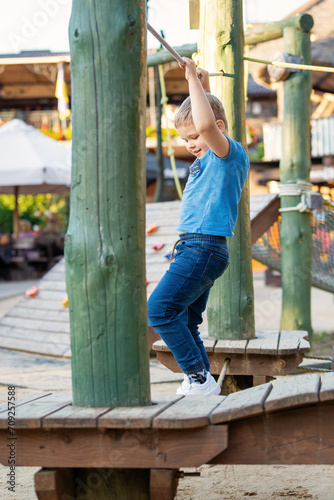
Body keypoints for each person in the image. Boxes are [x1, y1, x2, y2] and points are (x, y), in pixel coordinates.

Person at [147, 57, 250, 396]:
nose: (191, 144)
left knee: (159, 311)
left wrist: (191, 76)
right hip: (195, 248)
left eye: (194, 137)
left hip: (204, 248)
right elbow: (205, 120)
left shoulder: (227, 153)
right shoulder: (210, 157)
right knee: (186, 319)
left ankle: (198, 377)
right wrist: (202, 89)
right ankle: (200, 379)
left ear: (219, 127)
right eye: (186, 139)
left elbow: (208, 127)